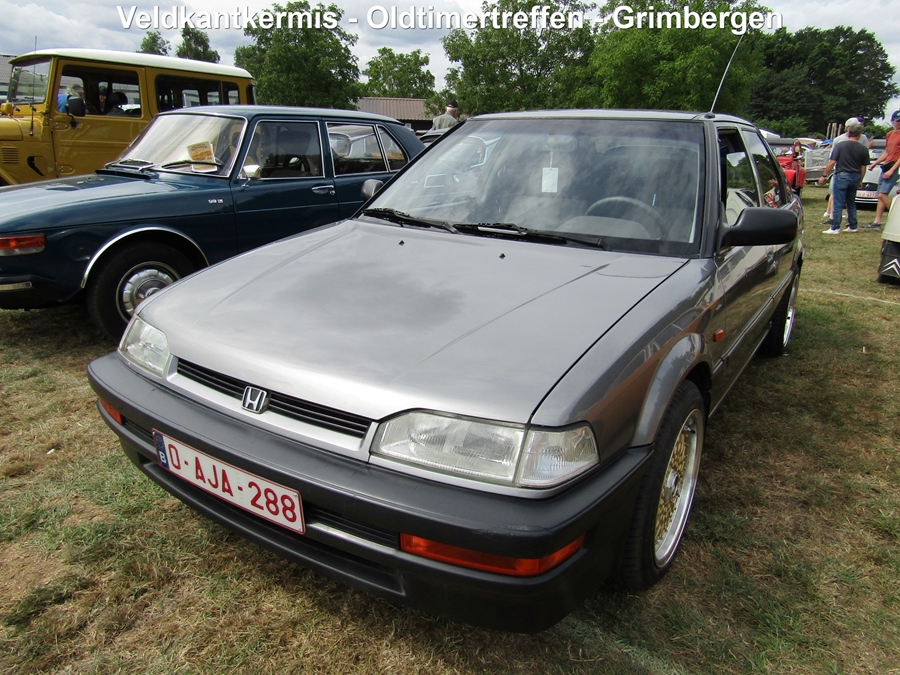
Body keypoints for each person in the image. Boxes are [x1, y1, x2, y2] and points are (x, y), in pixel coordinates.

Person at [817, 119, 870, 234]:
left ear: (848, 132)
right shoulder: (863, 148)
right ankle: (853, 225)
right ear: (859, 134)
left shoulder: (840, 145)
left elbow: (832, 162)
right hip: (856, 175)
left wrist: (824, 175)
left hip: (842, 174)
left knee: (838, 202)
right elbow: (863, 167)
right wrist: (861, 179)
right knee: (851, 202)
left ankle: (835, 227)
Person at [866, 110, 900, 229]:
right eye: (897, 120)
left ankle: (896, 217)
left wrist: (892, 170)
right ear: (892, 121)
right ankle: (877, 221)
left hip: (895, 166)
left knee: (882, 194)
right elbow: (887, 152)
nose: (899, 123)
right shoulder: (890, 134)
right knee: (880, 194)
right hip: (886, 165)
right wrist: (875, 163)